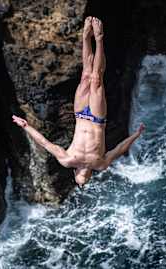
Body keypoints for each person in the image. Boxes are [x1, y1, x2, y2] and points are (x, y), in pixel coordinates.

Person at [12, 17, 145, 187]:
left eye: (80, 178)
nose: (83, 176)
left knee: (86, 75)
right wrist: (136, 135)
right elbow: (119, 149)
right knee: (96, 79)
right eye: (86, 178)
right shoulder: (100, 164)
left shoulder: (67, 160)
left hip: (81, 115)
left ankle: (85, 36)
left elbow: (45, 143)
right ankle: (99, 38)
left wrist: (26, 126)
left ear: (74, 172)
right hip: (97, 119)